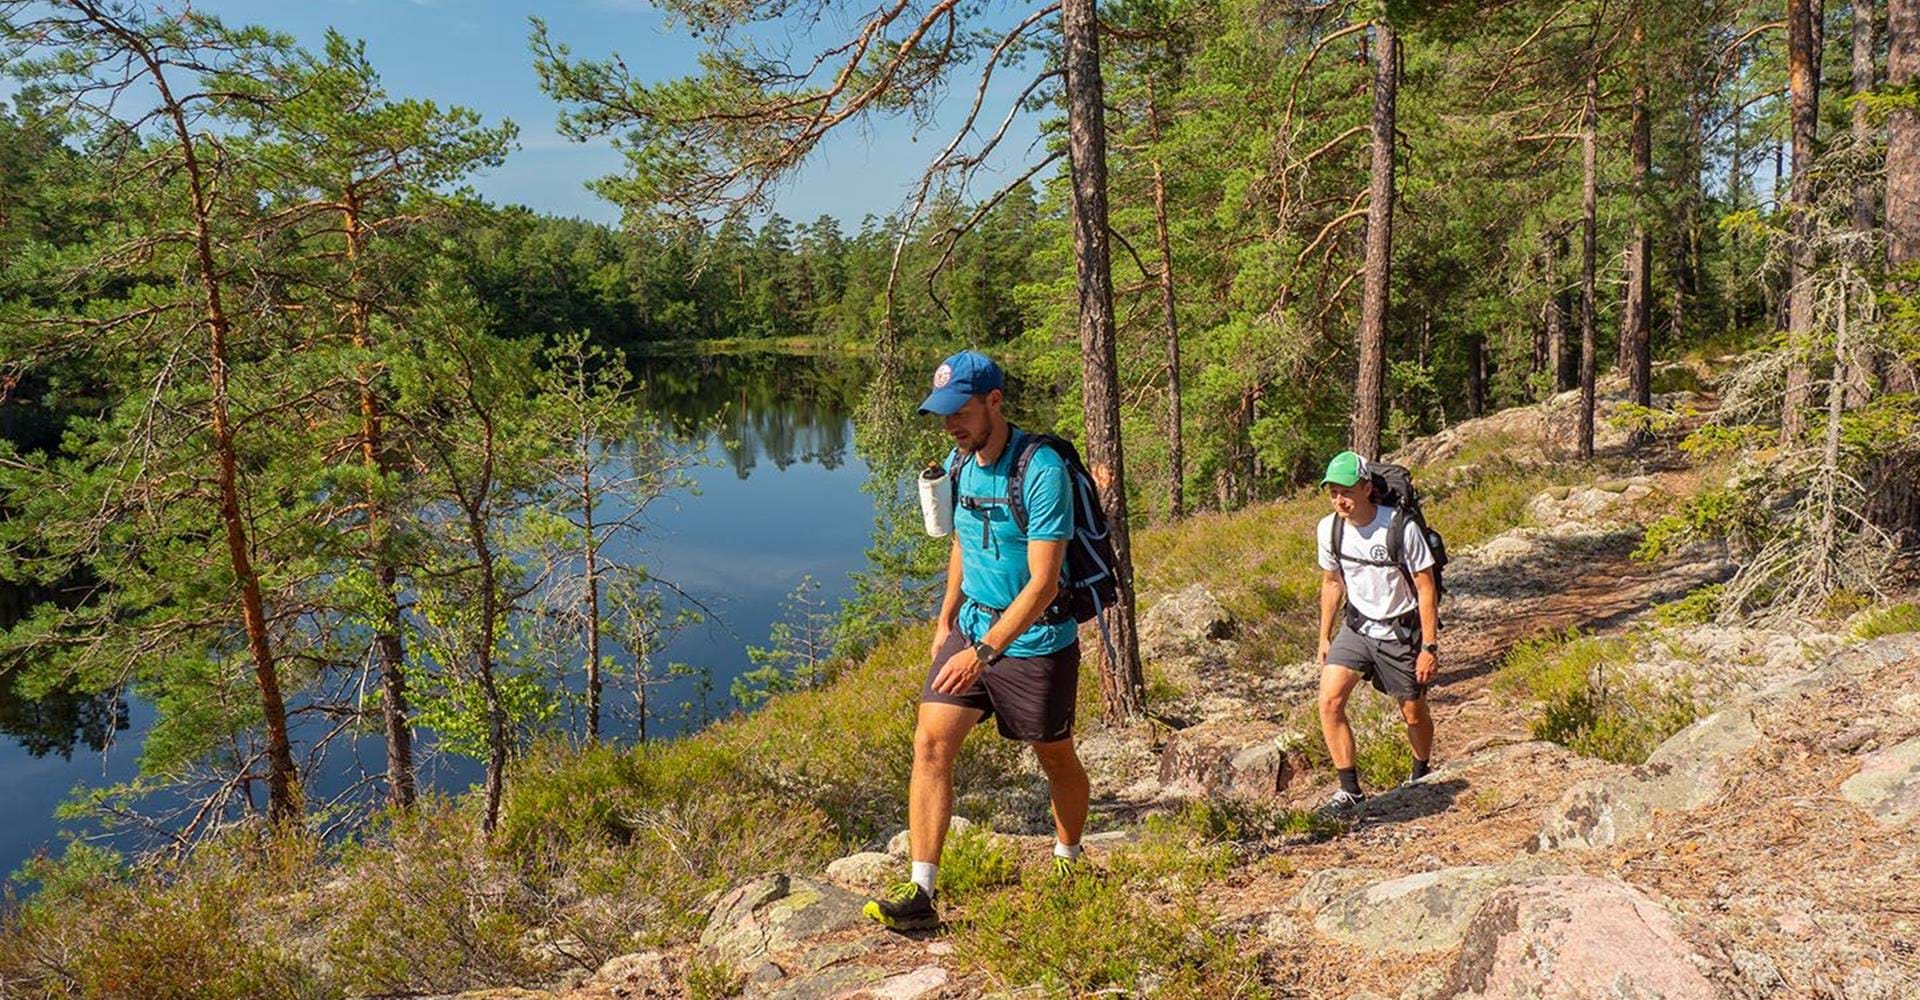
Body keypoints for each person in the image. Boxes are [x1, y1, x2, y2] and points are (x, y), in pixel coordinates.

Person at [864, 350, 1089, 931]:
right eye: (943, 414)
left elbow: (1042, 584)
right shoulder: (959, 464)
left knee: (1054, 757)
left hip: (1034, 641)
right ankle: (920, 892)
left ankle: (1068, 859)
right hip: (970, 630)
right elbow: (963, 541)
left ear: (995, 401)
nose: (951, 426)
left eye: (960, 412)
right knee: (931, 746)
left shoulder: (1041, 470)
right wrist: (947, 619)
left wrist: (985, 650)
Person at [1315, 449, 1440, 812]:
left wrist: (1428, 647)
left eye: (1347, 491)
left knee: (1413, 712)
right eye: (1333, 492)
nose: (1340, 499)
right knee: (1329, 701)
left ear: (1367, 488)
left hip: (1400, 633)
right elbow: (1331, 582)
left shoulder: (1401, 527)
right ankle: (1350, 789)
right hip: (1356, 629)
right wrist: (1324, 637)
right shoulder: (1330, 528)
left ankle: (1420, 772)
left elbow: (1425, 586)